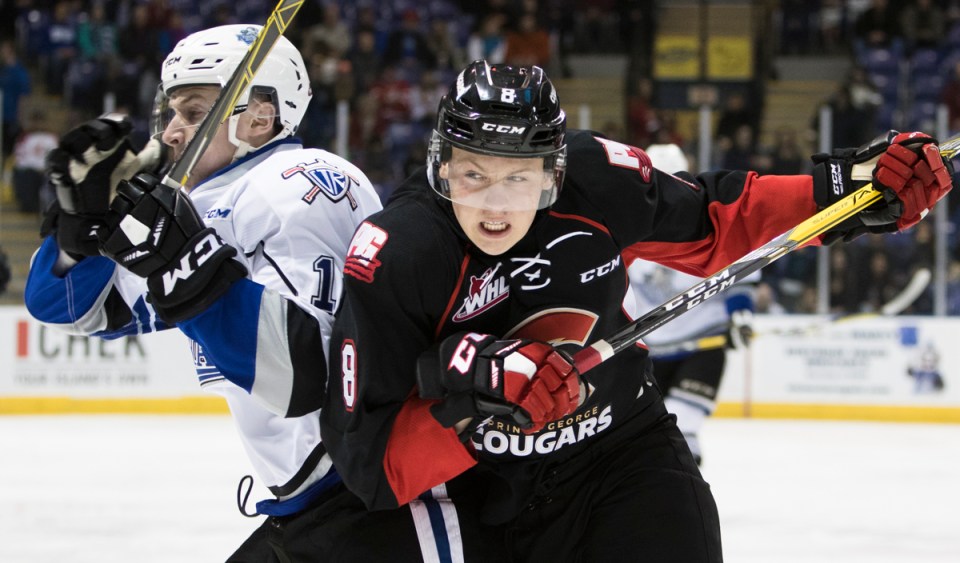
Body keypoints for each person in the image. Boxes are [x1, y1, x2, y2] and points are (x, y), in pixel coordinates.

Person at [319, 60, 952, 561]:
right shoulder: (396, 253)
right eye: (472, 175)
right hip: (483, 496)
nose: (494, 206)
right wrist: (474, 398)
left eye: (520, 178)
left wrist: (849, 188)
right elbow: (369, 465)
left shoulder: (599, 180)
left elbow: (715, 220)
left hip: (621, 456)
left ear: (554, 172)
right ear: (441, 165)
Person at [21, 24, 438, 562]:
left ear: (260, 116)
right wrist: (80, 233)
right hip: (314, 502)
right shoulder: (207, 205)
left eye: (194, 113)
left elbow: (302, 374)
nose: (171, 133)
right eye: (171, 113)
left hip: (374, 500)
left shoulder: (299, 179)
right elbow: (75, 310)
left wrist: (181, 262)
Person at [627, 143, 758, 466]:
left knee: (684, 426)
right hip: (650, 349)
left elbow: (740, 275)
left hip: (703, 341)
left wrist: (740, 316)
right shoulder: (624, 226)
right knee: (648, 436)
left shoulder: (706, 222)